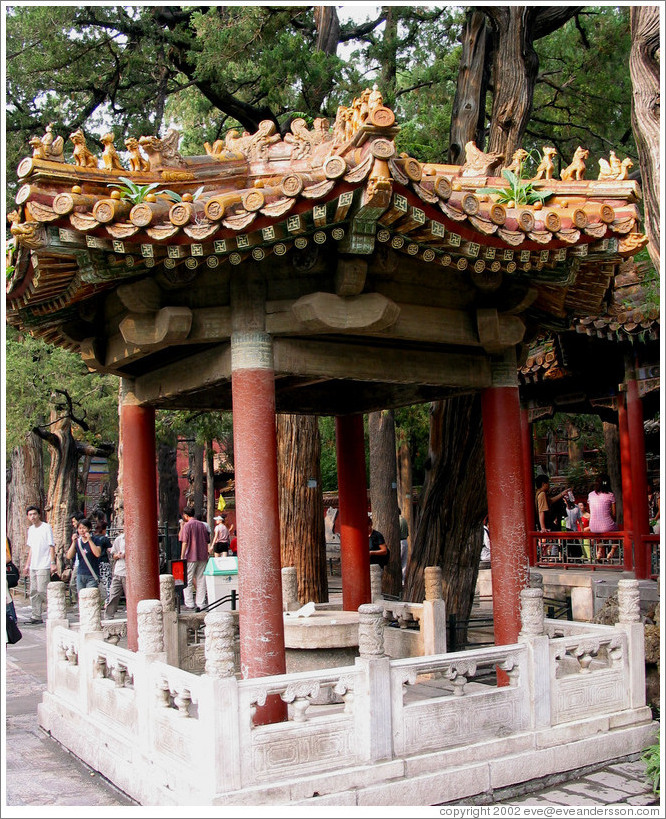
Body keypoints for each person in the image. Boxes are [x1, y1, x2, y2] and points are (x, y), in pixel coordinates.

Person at [23, 505, 56, 624]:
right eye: (30, 514)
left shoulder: (46, 527)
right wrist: (27, 564)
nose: (33, 516)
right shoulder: (31, 529)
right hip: (34, 564)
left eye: (34, 514)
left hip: (44, 563)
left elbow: (51, 545)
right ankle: (36, 615)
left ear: (39, 515)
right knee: (33, 591)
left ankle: (54, 610)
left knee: (42, 590)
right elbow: (31, 548)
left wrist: (52, 563)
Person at [180, 506, 210, 609]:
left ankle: (189, 603)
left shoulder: (187, 526)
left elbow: (184, 542)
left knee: (187, 579)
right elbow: (207, 540)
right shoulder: (202, 525)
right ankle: (201, 603)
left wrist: (182, 555)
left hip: (190, 556)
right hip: (202, 555)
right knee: (201, 579)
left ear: (186, 515)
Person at [535, 476, 571, 560]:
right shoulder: (542, 494)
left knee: (565, 533)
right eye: (548, 483)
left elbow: (550, 501)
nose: (549, 486)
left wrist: (562, 494)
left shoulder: (537, 493)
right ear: (543, 484)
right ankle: (570, 557)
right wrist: (543, 527)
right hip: (546, 524)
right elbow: (542, 511)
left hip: (544, 523)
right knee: (567, 533)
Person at [66, 517, 102, 593]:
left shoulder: (96, 540)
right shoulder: (78, 542)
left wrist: (90, 540)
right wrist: (73, 542)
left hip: (92, 573)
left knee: (90, 595)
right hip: (81, 573)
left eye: (84, 528)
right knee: (81, 596)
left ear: (89, 529)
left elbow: (97, 554)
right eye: (80, 528)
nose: (82, 530)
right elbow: (69, 556)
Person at [588, 473, 618, 560]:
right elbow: (614, 514)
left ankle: (599, 552)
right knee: (616, 534)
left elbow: (591, 510)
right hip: (607, 525)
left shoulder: (590, 495)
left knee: (601, 535)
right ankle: (611, 552)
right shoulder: (610, 495)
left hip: (593, 526)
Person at [104, 531, 126, 619]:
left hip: (130, 572)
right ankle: (108, 615)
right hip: (119, 570)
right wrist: (118, 555)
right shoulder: (120, 539)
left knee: (131, 596)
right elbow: (113, 555)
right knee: (113, 594)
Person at [94, 518, 113, 604]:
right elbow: (110, 550)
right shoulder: (104, 539)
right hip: (104, 562)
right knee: (107, 582)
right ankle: (107, 601)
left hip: (95, 563)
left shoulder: (93, 538)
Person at [398, 509, 409, 584]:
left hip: (399, 541)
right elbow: (407, 533)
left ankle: (399, 580)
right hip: (405, 541)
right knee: (404, 563)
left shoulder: (397, 520)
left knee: (399, 561)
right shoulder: (404, 520)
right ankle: (403, 582)